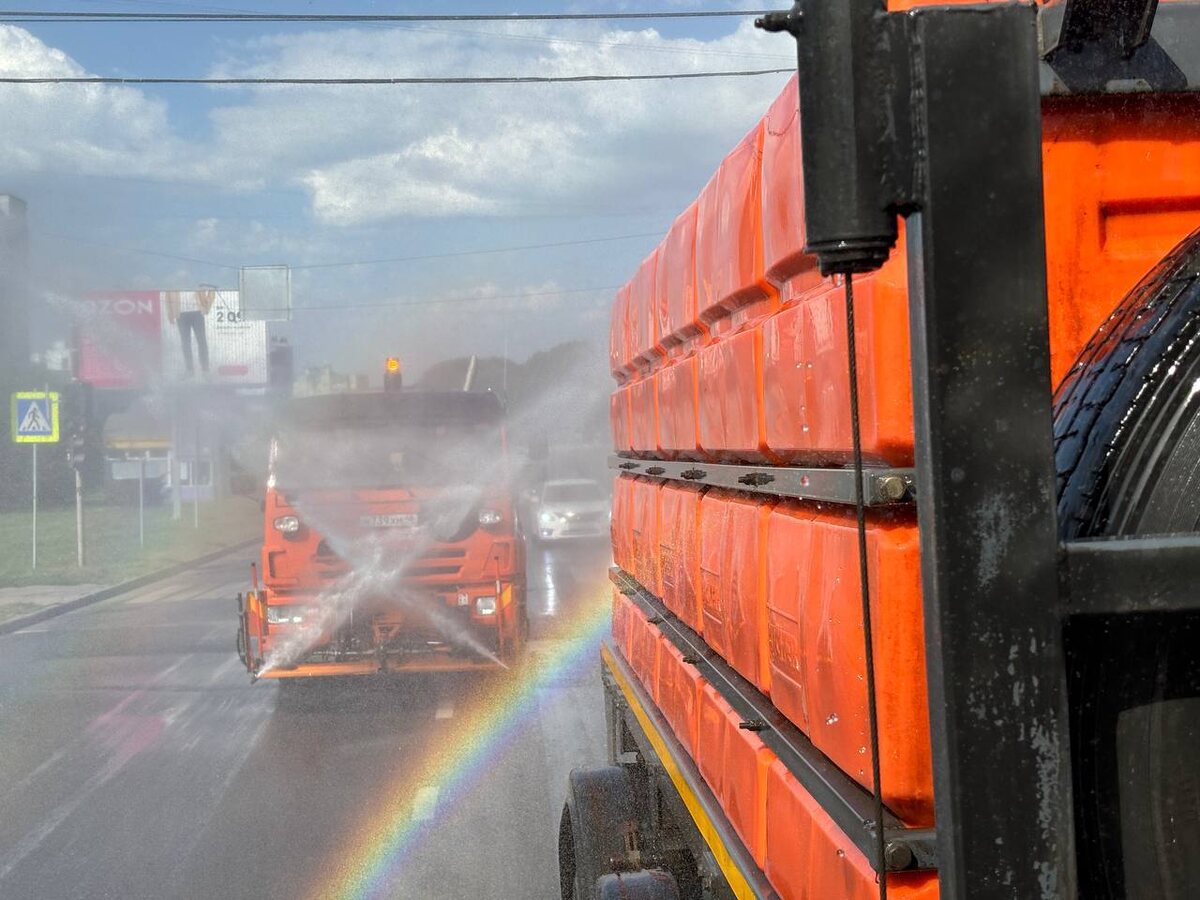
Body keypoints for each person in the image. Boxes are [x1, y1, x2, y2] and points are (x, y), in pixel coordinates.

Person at [165, 289, 215, 377]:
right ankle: (189, 370)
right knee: (185, 343)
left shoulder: (195, 275)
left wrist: (208, 303)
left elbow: (211, 288)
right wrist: (170, 313)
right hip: (181, 313)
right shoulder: (173, 278)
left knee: (202, 341)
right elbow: (168, 296)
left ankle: (205, 370)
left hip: (197, 312)